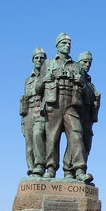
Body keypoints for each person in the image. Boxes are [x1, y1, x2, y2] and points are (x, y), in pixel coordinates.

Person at [37, 33, 92, 183]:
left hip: (71, 104)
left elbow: (87, 93)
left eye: (68, 44)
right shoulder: (47, 64)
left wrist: (81, 82)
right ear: (57, 46)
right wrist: (43, 80)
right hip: (53, 103)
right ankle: (50, 168)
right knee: (52, 136)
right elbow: (37, 89)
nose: (67, 46)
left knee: (76, 134)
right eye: (63, 43)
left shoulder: (77, 66)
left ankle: (78, 169)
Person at [20, 47, 47, 177]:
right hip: (28, 113)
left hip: (41, 112)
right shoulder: (28, 79)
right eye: (36, 58)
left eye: (41, 58)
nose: (39, 60)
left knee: (38, 138)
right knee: (29, 144)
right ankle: (31, 170)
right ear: (32, 60)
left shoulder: (47, 76)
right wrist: (23, 120)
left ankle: (39, 166)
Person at [77, 51, 101, 162]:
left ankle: (81, 167)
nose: (87, 65)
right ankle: (71, 168)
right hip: (76, 113)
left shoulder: (91, 85)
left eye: (89, 63)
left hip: (88, 117)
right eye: (85, 62)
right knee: (75, 141)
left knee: (86, 142)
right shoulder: (75, 79)